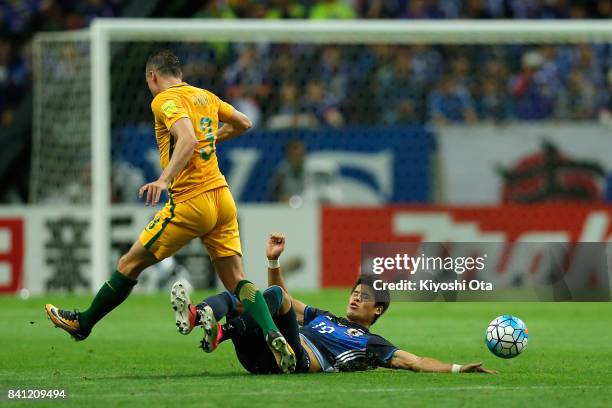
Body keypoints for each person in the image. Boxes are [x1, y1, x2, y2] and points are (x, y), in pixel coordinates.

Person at [44, 49, 296, 374]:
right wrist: (213, 138)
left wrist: (164, 179)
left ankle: (84, 323)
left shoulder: (163, 100)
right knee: (237, 279)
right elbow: (244, 123)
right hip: (222, 197)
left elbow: (188, 138)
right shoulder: (204, 96)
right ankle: (272, 332)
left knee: (129, 263)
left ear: (153, 76)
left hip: (192, 202)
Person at [173, 233, 497, 374]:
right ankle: (201, 318)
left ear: (378, 310)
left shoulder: (371, 343)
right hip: (257, 356)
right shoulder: (324, 317)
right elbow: (283, 299)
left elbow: (413, 361)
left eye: (365, 297)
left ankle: (225, 332)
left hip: (297, 359)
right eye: (355, 292)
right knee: (247, 293)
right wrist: (274, 263)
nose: (356, 297)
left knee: (267, 298)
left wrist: (456, 368)